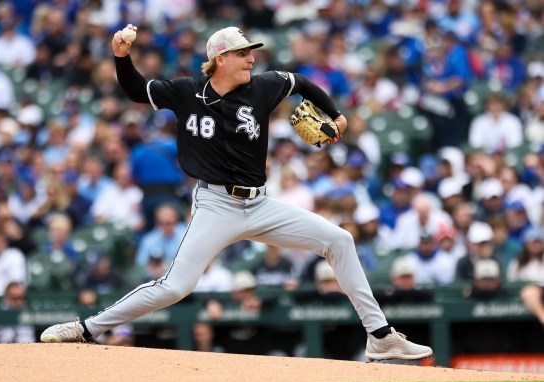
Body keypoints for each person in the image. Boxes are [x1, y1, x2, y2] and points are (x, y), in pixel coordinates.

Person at [41, 24, 432, 361]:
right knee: (176, 286)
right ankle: (87, 328)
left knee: (340, 240)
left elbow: (302, 82)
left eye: (251, 52)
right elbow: (135, 90)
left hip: (260, 203)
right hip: (214, 204)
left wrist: (336, 113)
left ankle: (380, 337)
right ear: (220, 58)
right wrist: (121, 57)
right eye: (243, 53)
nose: (251, 59)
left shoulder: (263, 87)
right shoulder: (186, 91)